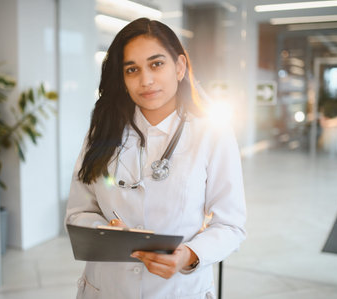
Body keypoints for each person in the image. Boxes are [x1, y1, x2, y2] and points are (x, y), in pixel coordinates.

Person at [65, 17, 246, 299]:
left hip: (179, 289)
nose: (145, 80)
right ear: (122, 79)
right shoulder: (102, 132)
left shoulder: (212, 133)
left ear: (180, 67)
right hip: (108, 287)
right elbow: (78, 212)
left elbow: (231, 225)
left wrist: (189, 255)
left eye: (156, 64)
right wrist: (105, 231)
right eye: (132, 69)